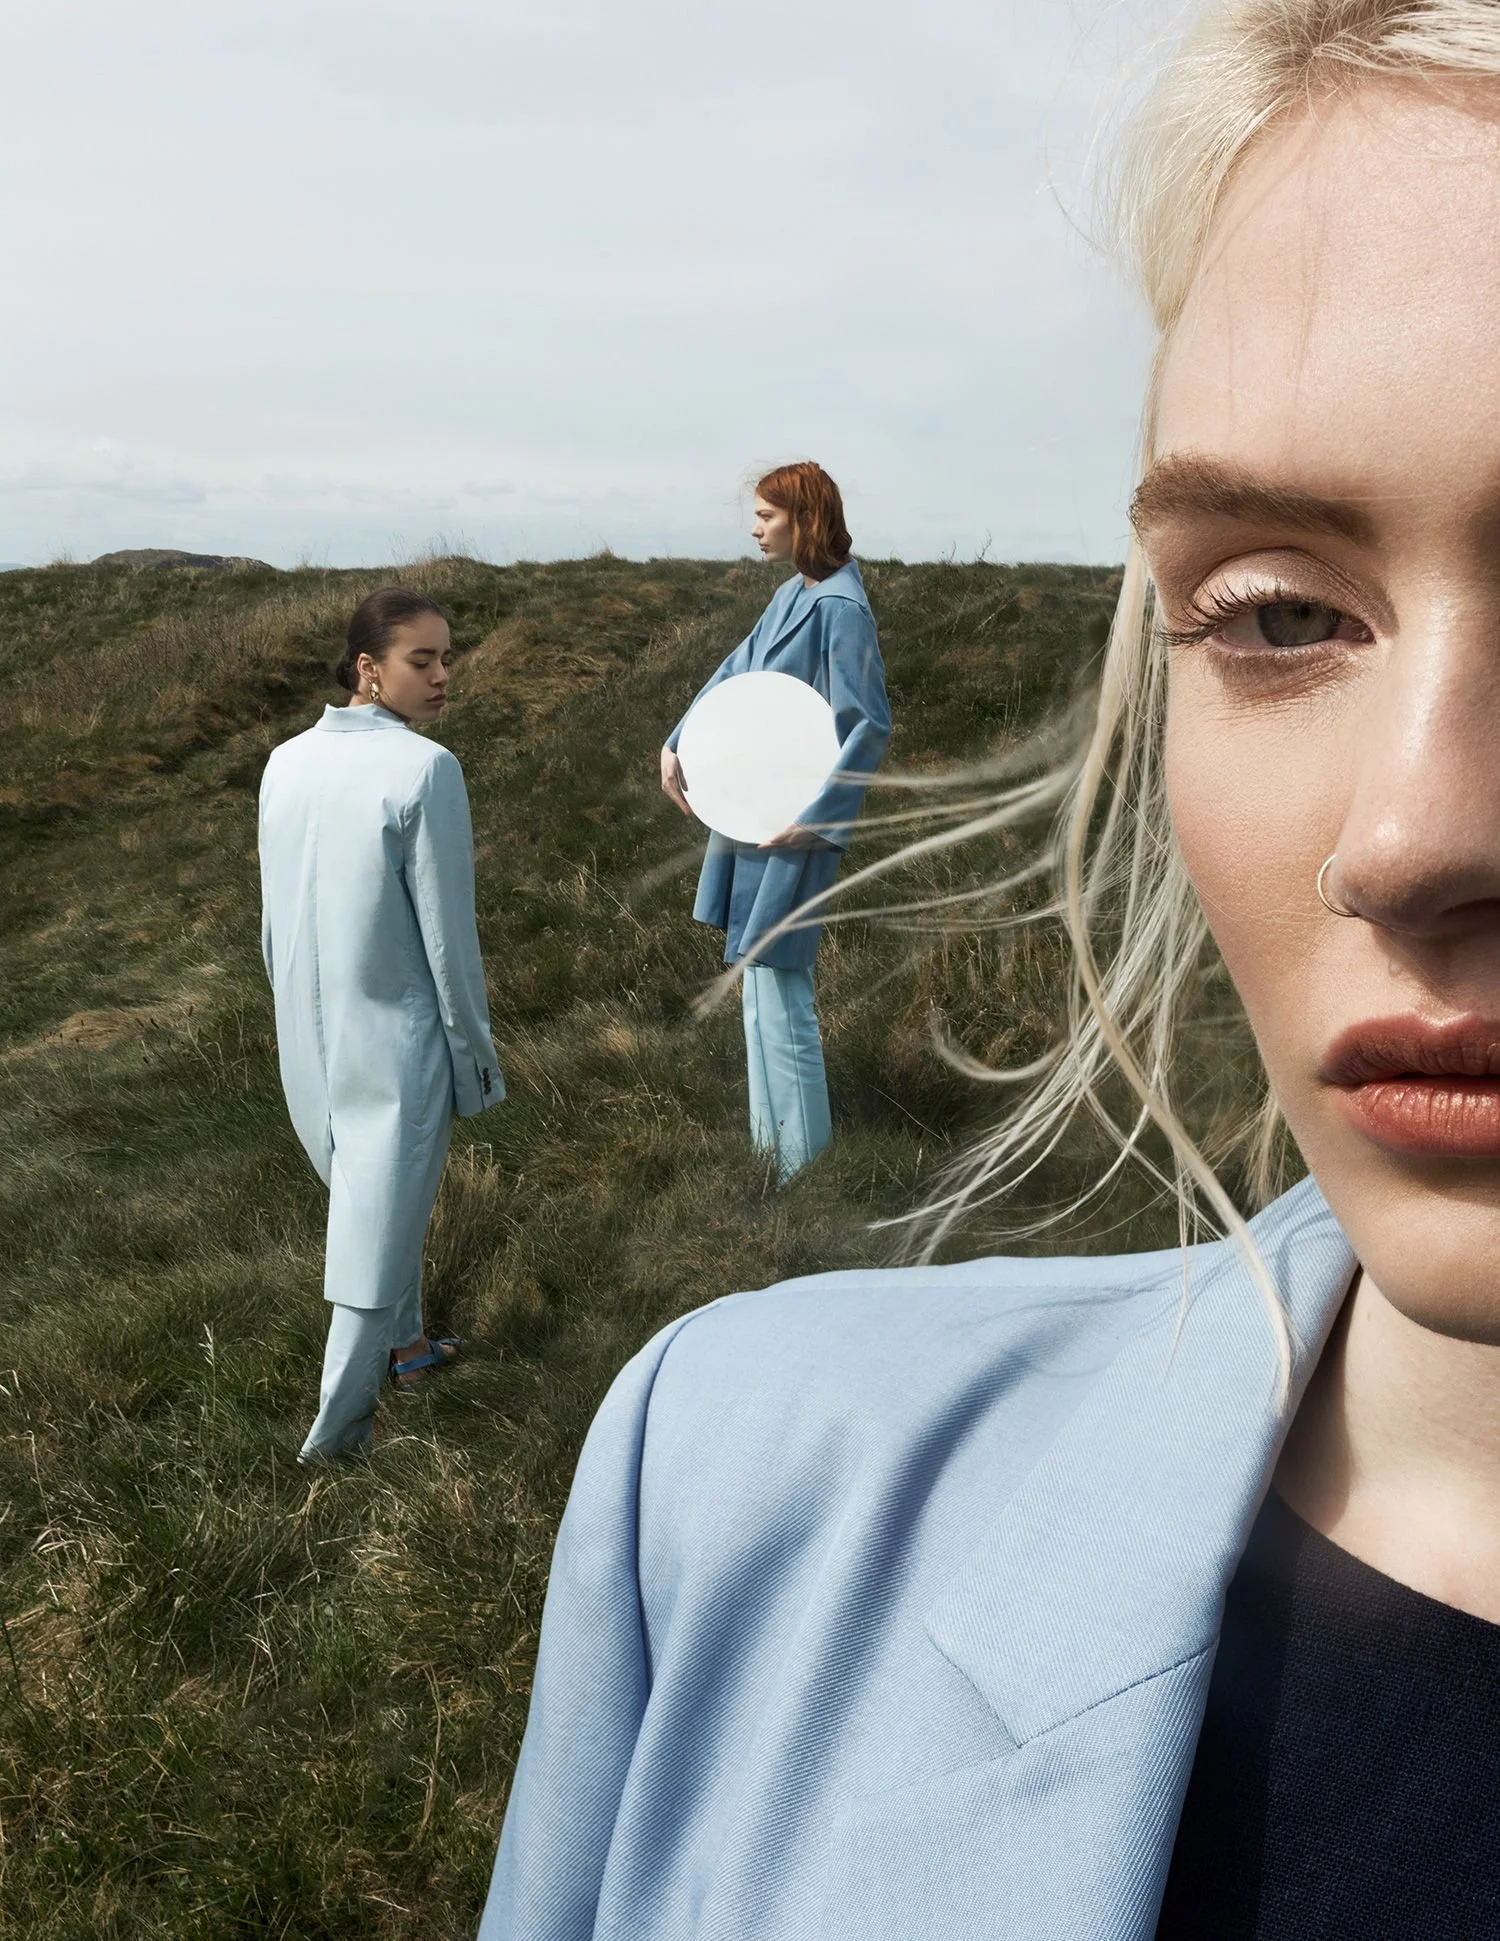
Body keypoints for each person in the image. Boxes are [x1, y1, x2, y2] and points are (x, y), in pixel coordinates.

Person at [483, 2, 1500, 1932]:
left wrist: (781, 803)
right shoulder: (726, 1481)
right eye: (1276, 610)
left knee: (778, 1010)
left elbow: (836, 738)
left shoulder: (845, 609)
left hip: (780, 864)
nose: (1413, 834)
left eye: (773, 508)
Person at [258, 587, 502, 1463]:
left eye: (447, 657)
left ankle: (408, 1350)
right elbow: (450, 939)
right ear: (369, 669)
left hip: (306, 1034)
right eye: (422, 660)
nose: (442, 677)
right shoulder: (425, 770)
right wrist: (474, 1057)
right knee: (371, 1235)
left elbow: (272, 920)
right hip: (397, 1040)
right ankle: (334, 1441)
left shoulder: (283, 760)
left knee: (368, 1206)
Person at [659, 462, 891, 1179]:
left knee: (783, 992)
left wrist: (817, 818)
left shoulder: (840, 609)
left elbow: (867, 724)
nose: (755, 528)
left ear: (805, 518)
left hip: (792, 823)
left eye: (767, 516)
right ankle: (774, 1156)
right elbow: (734, 674)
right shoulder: (794, 595)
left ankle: (803, 1169)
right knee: (757, 984)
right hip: (752, 813)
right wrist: (677, 740)